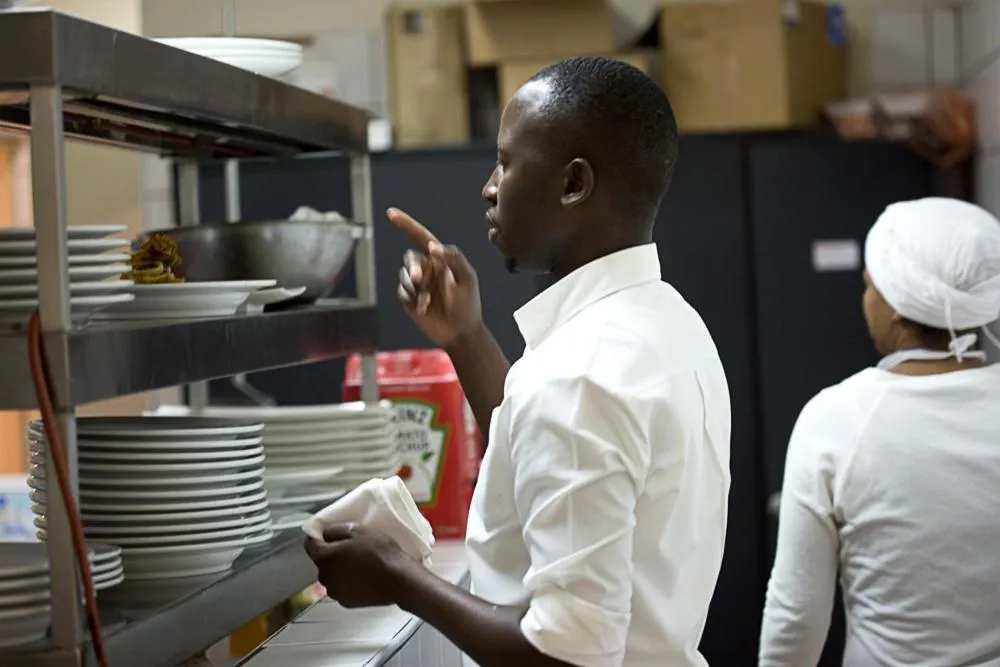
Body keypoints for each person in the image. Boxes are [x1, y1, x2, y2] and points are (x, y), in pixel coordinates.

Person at [304, 56, 732, 667]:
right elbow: (548, 447)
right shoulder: (668, 322)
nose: (489, 186)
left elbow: (566, 656)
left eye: (506, 162)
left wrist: (397, 578)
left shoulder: (580, 373)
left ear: (573, 183)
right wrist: (465, 335)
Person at [759, 197, 1000, 666]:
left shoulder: (836, 421)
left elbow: (796, 617)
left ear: (893, 307)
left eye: (870, 285)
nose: (864, 298)